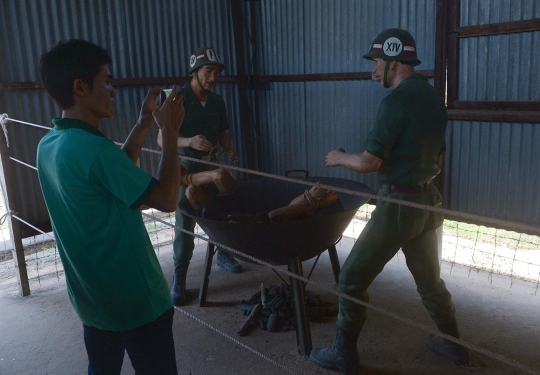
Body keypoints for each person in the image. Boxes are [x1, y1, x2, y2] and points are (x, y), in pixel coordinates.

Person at [309, 28, 470, 374]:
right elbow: (438, 163)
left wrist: (337, 157)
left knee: (350, 280)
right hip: (428, 203)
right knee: (430, 283)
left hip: (398, 206)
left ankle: (343, 355)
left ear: (394, 61)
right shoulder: (431, 98)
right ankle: (456, 347)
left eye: (378, 62)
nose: (373, 70)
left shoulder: (395, 101)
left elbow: (370, 162)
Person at [37, 39, 184, 375]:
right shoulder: (93, 149)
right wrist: (170, 133)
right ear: (80, 87)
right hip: (137, 300)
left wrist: (144, 123)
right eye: (106, 81)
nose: (112, 90)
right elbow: (167, 199)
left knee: (102, 368)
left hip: (94, 298)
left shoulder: (51, 144)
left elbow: (113, 177)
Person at [157, 47, 241, 307]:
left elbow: (223, 131)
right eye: (208, 71)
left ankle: (224, 254)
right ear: (193, 71)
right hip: (184, 172)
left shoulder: (217, 101)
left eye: (215, 73)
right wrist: (189, 140)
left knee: (221, 211)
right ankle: (179, 278)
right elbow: (162, 140)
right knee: (185, 223)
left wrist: (228, 147)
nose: (213, 78)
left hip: (212, 167)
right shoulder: (174, 98)